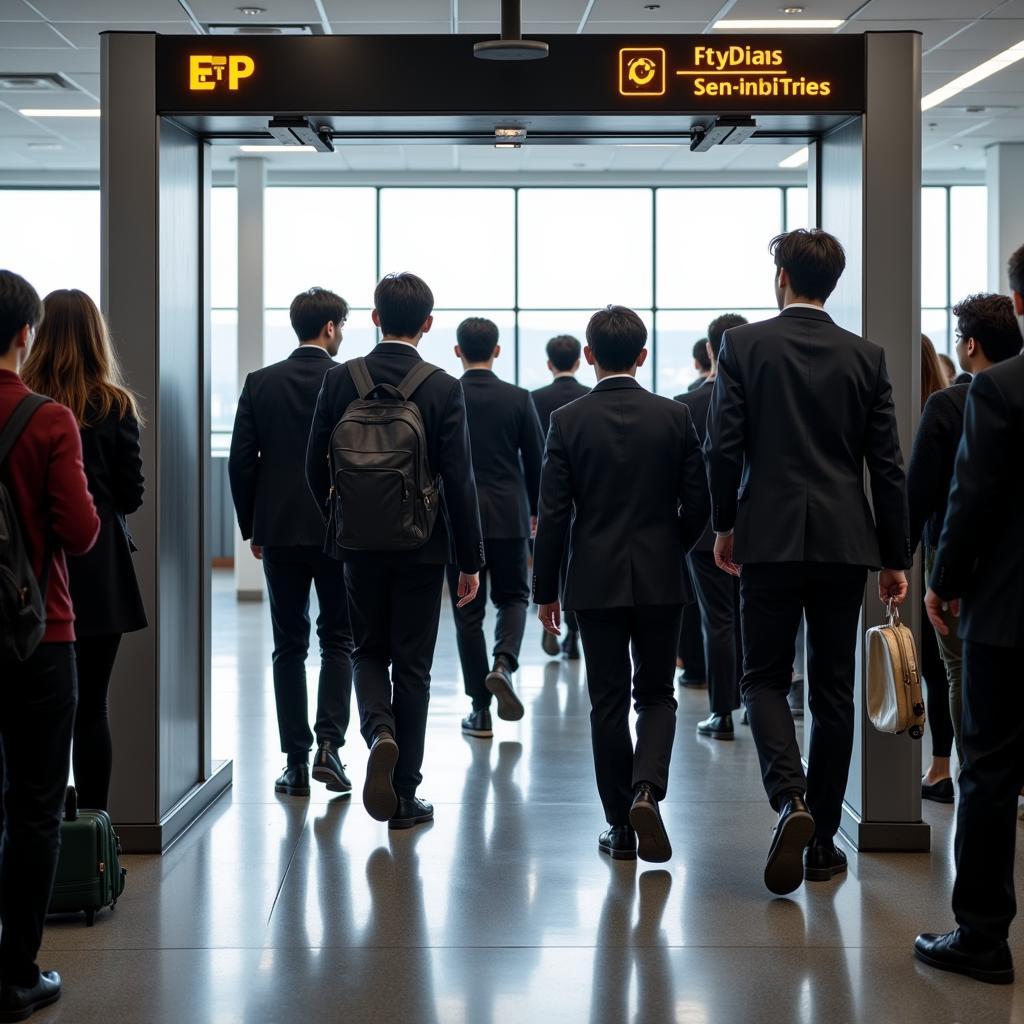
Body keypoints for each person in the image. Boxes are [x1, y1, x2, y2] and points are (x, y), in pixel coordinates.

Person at [706, 229, 911, 896]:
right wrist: (894, 554)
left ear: (782, 277)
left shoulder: (743, 346)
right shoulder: (866, 358)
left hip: (766, 535)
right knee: (832, 690)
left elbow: (723, 446)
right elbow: (887, 466)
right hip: (845, 542)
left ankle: (789, 799)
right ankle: (820, 840)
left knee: (762, 677)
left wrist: (724, 524)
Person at [306, 272, 483, 830]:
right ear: (427, 325)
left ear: (376, 318)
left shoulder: (340, 380)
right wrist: (469, 560)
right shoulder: (441, 386)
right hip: (422, 548)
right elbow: (460, 481)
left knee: (365, 650)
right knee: (414, 665)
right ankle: (405, 794)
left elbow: (314, 465)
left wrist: (341, 520)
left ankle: (377, 729)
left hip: (357, 545)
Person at [535, 305, 708, 863]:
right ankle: (646, 791)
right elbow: (700, 501)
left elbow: (554, 514)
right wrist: (669, 545)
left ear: (588, 357)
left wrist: (546, 590)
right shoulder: (675, 416)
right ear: (643, 355)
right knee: (657, 694)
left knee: (606, 703)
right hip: (663, 578)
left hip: (594, 579)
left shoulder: (568, 421)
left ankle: (620, 826)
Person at [914, 245, 1024, 985]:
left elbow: (970, 500)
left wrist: (944, 582)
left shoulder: (1000, 392)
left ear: (1019, 304)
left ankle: (983, 938)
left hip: (1010, 612)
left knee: (988, 772)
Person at [0, 270, 99, 1021]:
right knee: (35, 805)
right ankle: (15, 973)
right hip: (39, 633)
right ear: (23, 333)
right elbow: (81, 530)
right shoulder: (48, 419)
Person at [20, 289, 147, 812]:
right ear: (97, 338)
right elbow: (131, 494)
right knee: (92, 705)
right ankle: (97, 835)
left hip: (33, 570)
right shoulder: (114, 406)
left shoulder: (27, 403)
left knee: (32, 708)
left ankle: (38, 829)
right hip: (99, 572)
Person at [229, 287, 355, 799]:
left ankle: (296, 763)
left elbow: (242, 461)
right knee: (339, 640)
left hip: (279, 531)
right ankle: (331, 746)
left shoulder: (261, 383)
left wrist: (252, 527)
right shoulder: (349, 382)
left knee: (289, 644)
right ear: (329, 328)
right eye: (341, 327)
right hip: (340, 530)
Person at [909, 299, 1021, 799]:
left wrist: (912, 563)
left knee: (958, 670)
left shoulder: (952, 404)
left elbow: (938, 493)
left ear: (970, 345)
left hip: (960, 557)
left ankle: (962, 769)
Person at [448, 317, 544, 738]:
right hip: (509, 514)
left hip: (459, 518)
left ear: (457, 351)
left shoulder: (446, 395)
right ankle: (503, 663)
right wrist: (536, 511)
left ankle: (479, 710)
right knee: (514, 598)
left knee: (468, 609)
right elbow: (538, 460)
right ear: (497, 350)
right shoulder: (519, 398)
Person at [675, 315, 747, 740]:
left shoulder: (688, 405)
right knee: (751, 620)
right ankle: (756, 704)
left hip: (705, 532)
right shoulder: (761, 400)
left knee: (717, 620)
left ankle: (722, 713)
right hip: (759, 525)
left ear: (708, 351)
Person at [531, 334, 589, 660]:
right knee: (576, 563)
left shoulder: (534, 398)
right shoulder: (588, 397)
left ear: (549, 363)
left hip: (546, 492)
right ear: (579, 361)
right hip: (583, 495)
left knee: (551, 553)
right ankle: (573, 636)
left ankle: (547, 620)